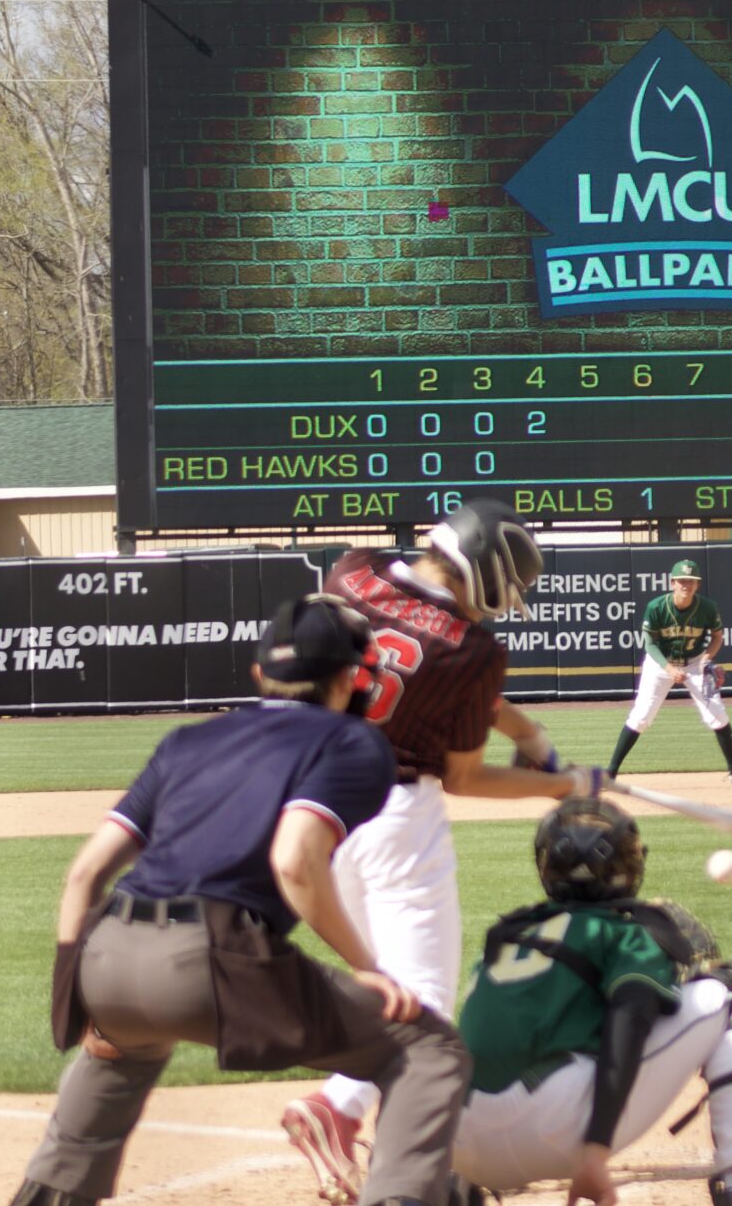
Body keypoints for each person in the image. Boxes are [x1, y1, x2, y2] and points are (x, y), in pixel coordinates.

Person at [8, 597, 470, 1206]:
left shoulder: (185, 741)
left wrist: (76, 998)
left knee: (117, 1055)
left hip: (108, 951)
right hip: (211, 955)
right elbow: (294, 860)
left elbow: (85, 874)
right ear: (351, 679)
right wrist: (368, 967)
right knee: (428, 1050)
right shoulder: (353, 741)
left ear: (260, 675)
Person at [279, 502, 604, 1205]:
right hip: (397, 813)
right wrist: (561, 783)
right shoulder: (473, 648)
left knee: (387, 988)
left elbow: (425, 667)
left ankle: (381, 1121)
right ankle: (339, 1109)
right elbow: (464, 774)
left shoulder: (352, 572)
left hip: (312, 810)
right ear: (487, 570)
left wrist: (526, 727)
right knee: (422, 1001)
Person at [449, 795, 732, 1206]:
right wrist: (595, 1148)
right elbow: (627, 1026)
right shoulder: (625, 933)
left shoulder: (506, 934)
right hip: (558, 1133)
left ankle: (451, 1189)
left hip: (460, 1144)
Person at [608, 560, 732, 787]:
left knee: (718, 714)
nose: (686, 585)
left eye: (691, 581)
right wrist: (669, 669)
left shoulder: (708, 608)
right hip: (660, 664)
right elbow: (649, 644)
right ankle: (611, 773)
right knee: (641, 716)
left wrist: (706, 657)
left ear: (697, 585)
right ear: (672, 583)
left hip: (694, 664)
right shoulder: (656, 607)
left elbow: (718, 637)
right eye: (682, 580)